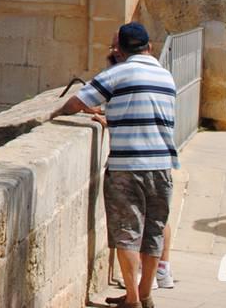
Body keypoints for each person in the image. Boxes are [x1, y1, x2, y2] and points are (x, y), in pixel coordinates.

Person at [54, 23, 178, 308]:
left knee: (127, 234)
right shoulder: (166, 76)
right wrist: (112, 117)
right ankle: (145, 295)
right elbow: (148, 115)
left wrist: (57, 113)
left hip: (127, 166)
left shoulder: (118, 72)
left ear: (120, 49)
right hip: (161, 165)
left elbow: (75, 103)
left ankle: (132, 299)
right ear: (149, 47)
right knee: (153, 233)